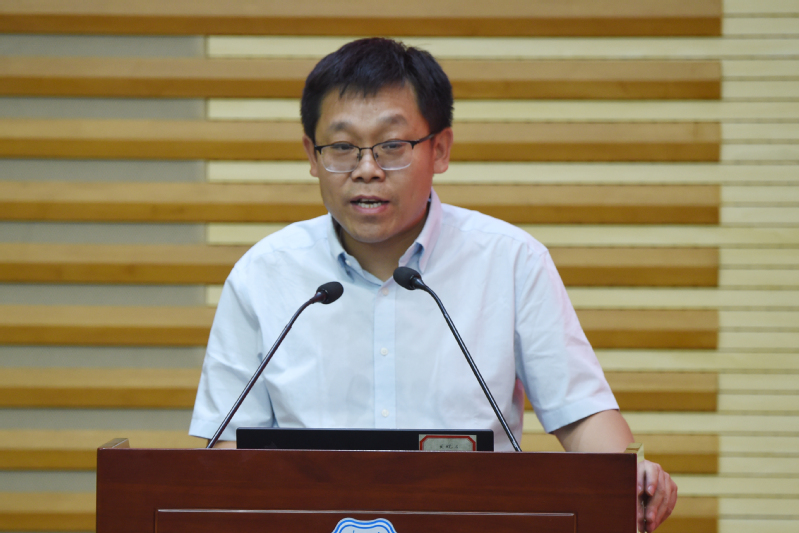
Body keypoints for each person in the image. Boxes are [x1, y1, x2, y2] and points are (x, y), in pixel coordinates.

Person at [190, 38, 677, 532]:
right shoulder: (263, 274)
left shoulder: (510, 261)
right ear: (312, 156)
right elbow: (226, 447)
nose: (366, 170)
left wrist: (628, 477)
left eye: (391, 146)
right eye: (342, 147)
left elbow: (580, 415)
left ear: (439, 150)